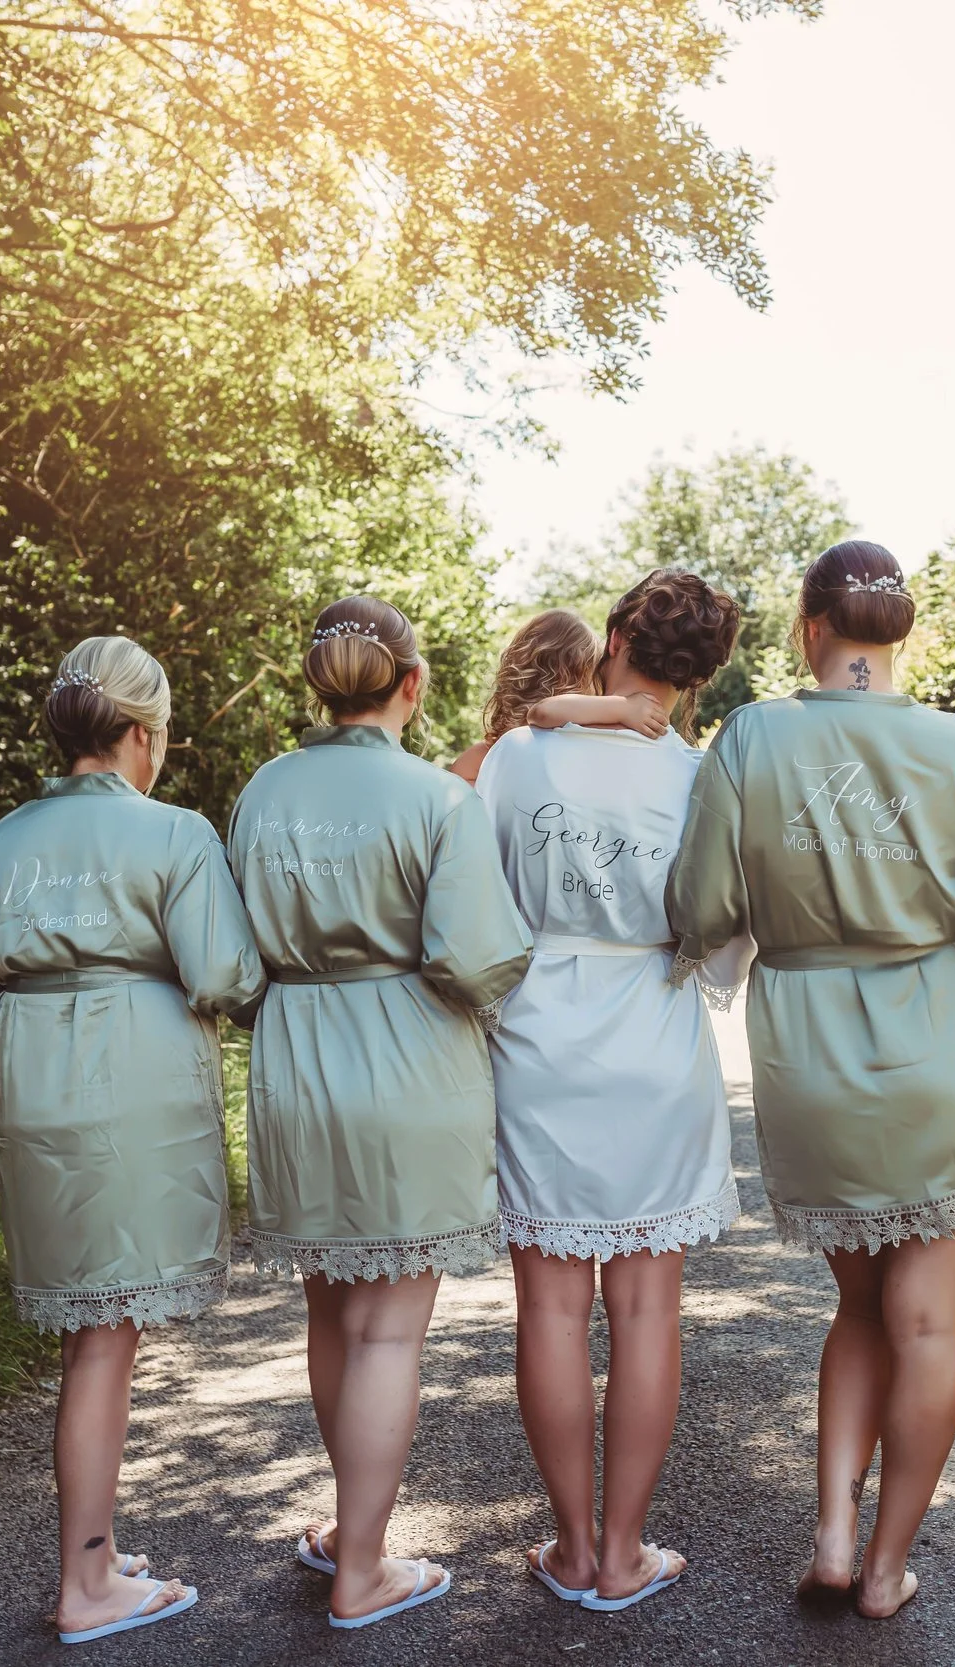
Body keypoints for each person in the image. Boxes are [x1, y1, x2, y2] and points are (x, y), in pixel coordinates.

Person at [666, 540, 955, 1619]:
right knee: (929, 1322)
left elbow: (700, 907)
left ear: (807, 630)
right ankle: (884, 1563)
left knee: (857, 1303)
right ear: (900, 633)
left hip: (810, 1047)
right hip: (936, 1039)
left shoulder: (754, 733)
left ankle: (828, 1532)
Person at [0, 635, 264, 1647]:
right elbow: (224, 974)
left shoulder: (1, 840)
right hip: (133, 1084)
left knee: (96, 1336)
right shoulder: (173, 835)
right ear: (136, 734)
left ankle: (98, 1551)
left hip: (35, 1086)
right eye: (158, 734)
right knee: (103, 1345)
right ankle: (85, 1585)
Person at [224, 597, 533, 1630]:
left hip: (296, 1056)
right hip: (405, 1052)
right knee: (391, 1332)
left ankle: (347, 1530)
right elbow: (475, 954)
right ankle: (363, 1563)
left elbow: (232, 954)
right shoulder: (436, 798)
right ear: (413, 682)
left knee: (329, 1307)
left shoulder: (261, 789)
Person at [474, 569, 752, 1613]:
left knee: (547, 1305)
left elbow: (478, 891)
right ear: (704, 671)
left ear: (616, 635)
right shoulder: (701, 778)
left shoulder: (519, 754)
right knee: (646, 1310)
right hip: (652, 1030)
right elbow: (720, 929)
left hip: (538, 1031)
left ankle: (572, 1540)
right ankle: (626, 1549)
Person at [447, 609, 672, 785]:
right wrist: (624, 707)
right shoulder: (488, 756)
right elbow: (546, 712)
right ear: (578, 679)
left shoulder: (482, 757)